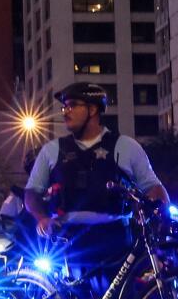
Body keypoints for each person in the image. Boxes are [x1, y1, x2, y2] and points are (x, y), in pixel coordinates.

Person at [24, 83, 167, 273]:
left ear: (92, 109)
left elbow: (154, 188)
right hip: (69, 241)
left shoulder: (126, 146)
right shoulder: (51, 150)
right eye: (64, 106)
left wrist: (160, 214)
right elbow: (32, 192)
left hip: (116, 239)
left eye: (73, 105)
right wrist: (41, 218)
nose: (66, 111)